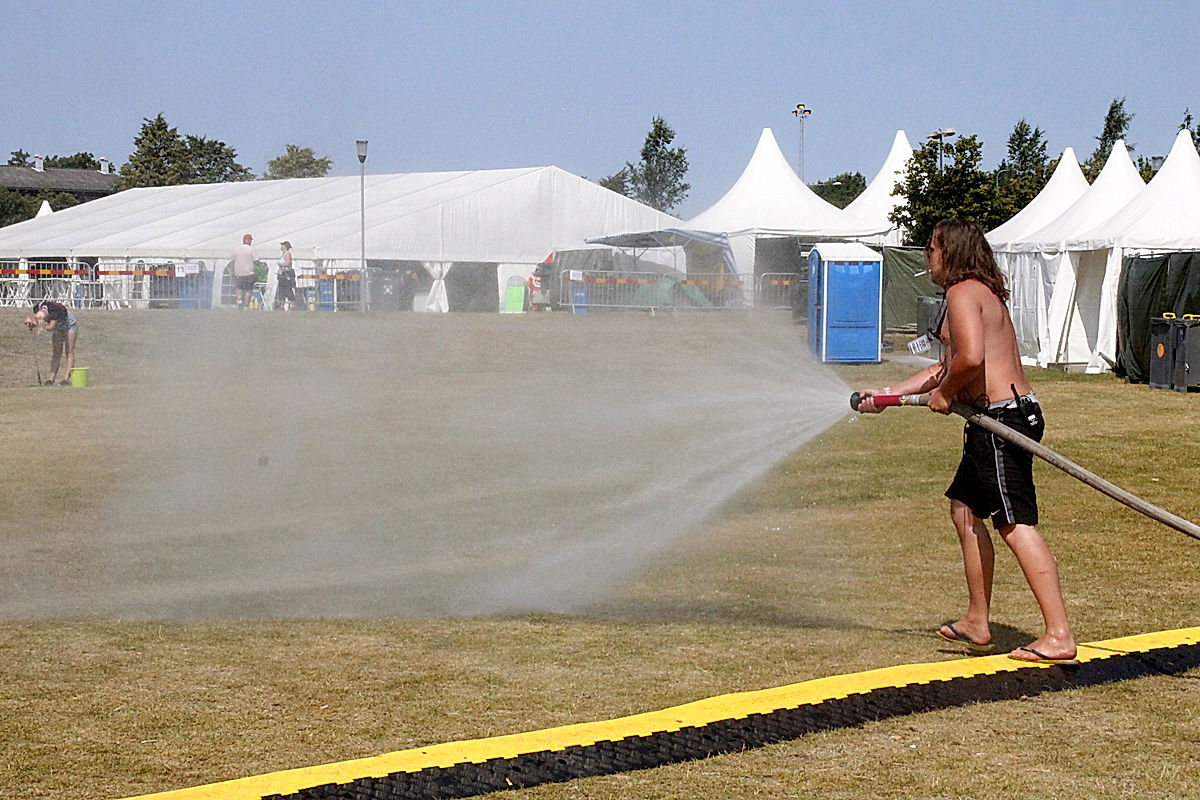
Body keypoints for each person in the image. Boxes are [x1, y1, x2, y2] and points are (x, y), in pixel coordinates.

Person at [856, 219, 1077, 665]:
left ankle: (1058, 635)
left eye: (932, 248)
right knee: (964, 511)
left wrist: (946, 394)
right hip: (994, 419)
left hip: (1002, 421)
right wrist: (887, 396)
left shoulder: (963, 293)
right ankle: (978, 621)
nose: (927, 256)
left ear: (950, 252)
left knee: (1013, 523)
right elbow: (945, 367)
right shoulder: (973, 293)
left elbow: (970, 360)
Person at [25, 299, 78, 386]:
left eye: (43, 319)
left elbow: (50, 328)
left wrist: (40, 325)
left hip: (69, 324)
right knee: (57, 352)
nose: (42, 320)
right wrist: (30, 322)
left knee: (69, 351)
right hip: (58, 325)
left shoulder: (54, 312)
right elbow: (31, 319)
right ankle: (51, 379)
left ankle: (66, 379)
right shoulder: (36, 308)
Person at [228, 233, 257, 309]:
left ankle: (239, 300)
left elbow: (232, 262)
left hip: (238, 272)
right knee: (248, 290)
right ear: (248, 240)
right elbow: (256, 261)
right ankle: (246, 306)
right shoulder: (251, 249)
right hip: (249, 273)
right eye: (250, 240)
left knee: (238, 288)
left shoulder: (236, 249)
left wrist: (232, 271)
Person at [276, 241, 296, 310]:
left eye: (282, 245)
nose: (281, 246)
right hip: (282, 274)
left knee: (287, 289)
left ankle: (292, 304)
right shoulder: (283, 254)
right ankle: (282, 304)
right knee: (281, 290)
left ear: (285, 246)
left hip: (286, 274)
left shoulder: (287, 254)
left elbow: (287, 263)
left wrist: (280, 264)